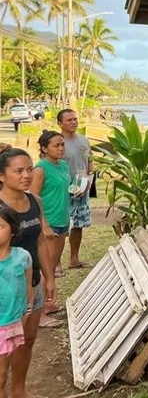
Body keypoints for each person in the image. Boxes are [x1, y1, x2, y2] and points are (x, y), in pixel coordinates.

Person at [0, 145, 58, 398]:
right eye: (18, 171)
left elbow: (41, 242)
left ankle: (19, 391)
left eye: (29, 170)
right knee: (4, 350)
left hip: (31, 286)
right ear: (2, 176)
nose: (26, 175)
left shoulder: (36, 201)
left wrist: (50, 277)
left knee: (28, 340)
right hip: (4, 292)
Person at [30, 131, 71, 327]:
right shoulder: (40, 169)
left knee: (53, 265)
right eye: (56, 145)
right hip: (49, 223)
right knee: (46, 269)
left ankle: (49, 303)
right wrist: (44, 224)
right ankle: (40, 313)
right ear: (45, 148)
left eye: (62, 144)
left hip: (63, 220)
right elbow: (34, 198)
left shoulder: (62, 164)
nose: (61, 148)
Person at [57, 109, 94, 270]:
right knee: (60, 226)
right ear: (60, 124)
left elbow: (90, 163)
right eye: (69, 120)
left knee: (78, 224)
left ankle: (74, 259)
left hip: (81, 187)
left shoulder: (84, 141)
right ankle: (56, 263)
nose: (73, 122)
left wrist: (88, 182)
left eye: (75, 119)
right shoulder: (58, 144)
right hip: (63, 190)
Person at [0, 207, 34, 363]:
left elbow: (28, 290)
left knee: (2, 372)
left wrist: (25, 316)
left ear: (12, 230)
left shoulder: (23, 258)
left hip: (12, 324)